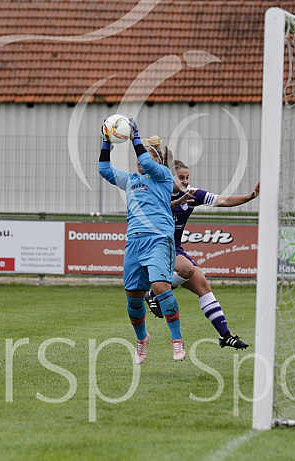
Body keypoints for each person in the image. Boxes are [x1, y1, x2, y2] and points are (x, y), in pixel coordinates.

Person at [144, 136, 259, 350]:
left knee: (204, 285)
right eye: (181, 177)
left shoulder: (192, 194)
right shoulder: (157, 191)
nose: (186, 181)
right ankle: (155, 294)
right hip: (155, 249)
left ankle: (225, 335)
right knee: (187, 268)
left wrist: (249, 197)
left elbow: (222, 200)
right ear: (170, 177)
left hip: (174, 249)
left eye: (187, 177)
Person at [98, 119, 186, 364]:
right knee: (133, 297)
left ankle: (176, 340)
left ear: (157, 160)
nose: (139, 160)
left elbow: (146, 160)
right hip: (134, 242)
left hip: (159, 239)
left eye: (145, 156)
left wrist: (135, 137)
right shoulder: (130, 180)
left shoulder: (163, 177)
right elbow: (104, 170)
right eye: (138, 156)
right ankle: (141, 339)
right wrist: (106, 142)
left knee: (160, 287)